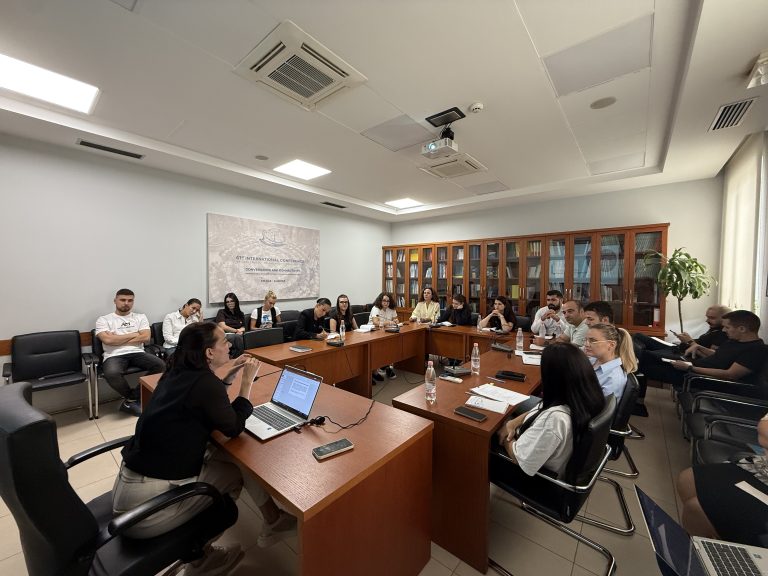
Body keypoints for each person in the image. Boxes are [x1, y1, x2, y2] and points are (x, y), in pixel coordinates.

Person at [113, 323, 296, 575]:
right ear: (209, 352)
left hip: (129, 492)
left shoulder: (176, 372)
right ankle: (201, 558)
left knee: (226, 455)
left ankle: (273, 520)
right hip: (146, 512)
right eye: (224, 341)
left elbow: (208, 401)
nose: (230, 345)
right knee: (235, 471)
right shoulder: (204, 383)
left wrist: (229, 375)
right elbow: (233, 426)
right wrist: (246, 384)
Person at [496, 342, 606, 477]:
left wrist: (506, 436)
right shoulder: (584, 397)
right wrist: (512, 423)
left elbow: (519, 458)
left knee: (489, 427)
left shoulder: (555, 419)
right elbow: (540, 408)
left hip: (535, 477)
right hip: (544, 449)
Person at [677, 412, 768, 546]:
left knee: (695, 509)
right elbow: (763, 430)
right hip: (761, 468)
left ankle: (711, 551)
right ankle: (718, 546)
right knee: (686, 480)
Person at [646, 310, 766, 386]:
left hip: (702, 378)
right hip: (693, 368)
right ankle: (638, 406)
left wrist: (691, 368)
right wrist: (698, 347)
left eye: (727, 327)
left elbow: (730, 375)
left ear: (742, 329)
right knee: (646, 356)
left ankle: (637, 405)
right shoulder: (734, 341)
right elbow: (718, 356)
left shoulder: (756, 350)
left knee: (645, 363)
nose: (724, 330)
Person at [95, 289, 166, 416]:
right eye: (122, 300)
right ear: (115, 300)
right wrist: (134, 334)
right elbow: (107, 340)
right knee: (111, 373)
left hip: (137, 352)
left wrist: (116, 339)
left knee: (161, 365)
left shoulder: (140, 317)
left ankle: (133, 397)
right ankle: (133, 397)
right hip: (114, 355)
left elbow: (145, 337)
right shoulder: (104, 319)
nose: (126, 303)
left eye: (130, 300)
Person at [636, 305, 731, 377]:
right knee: (638, 337)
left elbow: (711, 357)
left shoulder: (723, 333)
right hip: (678, 349)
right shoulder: (714, 329)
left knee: (643, 355)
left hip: (685, 356)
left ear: (724, 318)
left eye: (712, 318)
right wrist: (687, 340)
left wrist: (690, 342)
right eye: (707, 317)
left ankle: (634, 390)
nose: (707, 321)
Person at [583, 323, 638, 401]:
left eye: (593, 341)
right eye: (585, 340)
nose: (586, 344)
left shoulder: (613, 378)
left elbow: (599, 407)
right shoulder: (593, 359)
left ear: (611, 345)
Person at [369, 292, 399, 381]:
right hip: (373, 333)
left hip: (386, 332)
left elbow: (396, 319)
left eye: (388, 301)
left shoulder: (391, 309)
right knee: (379, 349)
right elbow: (376, 322)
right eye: (384, 301)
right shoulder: (376, 308)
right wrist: (389, 322)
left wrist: (396, 321)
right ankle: (375, 370)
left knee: (392, 346)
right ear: (380, 301)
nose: (386, 303)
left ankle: (387, 366)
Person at [216, 292, 247, 357]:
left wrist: (240, 331)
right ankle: (240, 358)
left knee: (243, 336)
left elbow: (243, 327)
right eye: (227, 302)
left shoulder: (240, 313)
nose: (229, 303)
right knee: (237, 337)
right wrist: (236, 331)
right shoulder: (221, 312)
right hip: (225, 334)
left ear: (236, 301)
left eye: (232, 301)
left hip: (238, 334)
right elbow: (223, 327)